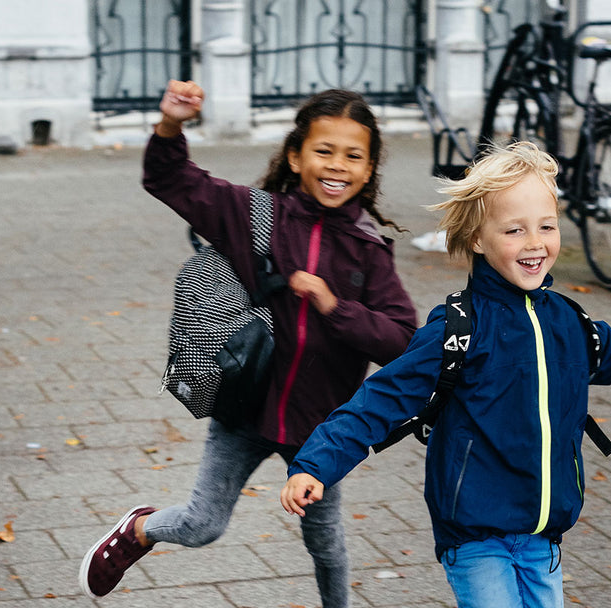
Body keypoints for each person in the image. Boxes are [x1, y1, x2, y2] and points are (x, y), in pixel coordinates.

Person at [280, 141, 611, 608]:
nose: (535, 243)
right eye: (514, 230)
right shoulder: (459, 329)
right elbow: (381, 399)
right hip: (475, 534)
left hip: (543, 533)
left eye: (546, 226)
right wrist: (316, 463)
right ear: (478, 239)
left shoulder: (567, 322)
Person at [78, 80, 417, 608]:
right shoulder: (257, 215)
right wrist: (170, 125)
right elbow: (170, 179)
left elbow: (403, 340)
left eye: (353, 156)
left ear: (369, 169)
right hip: (244, 409)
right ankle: (140, 530)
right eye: (323, 151)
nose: (337, 166)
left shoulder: (370, 250)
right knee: (201, 524)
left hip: (322, 430)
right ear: (296, 155)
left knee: (327, 546)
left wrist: (334, 306)